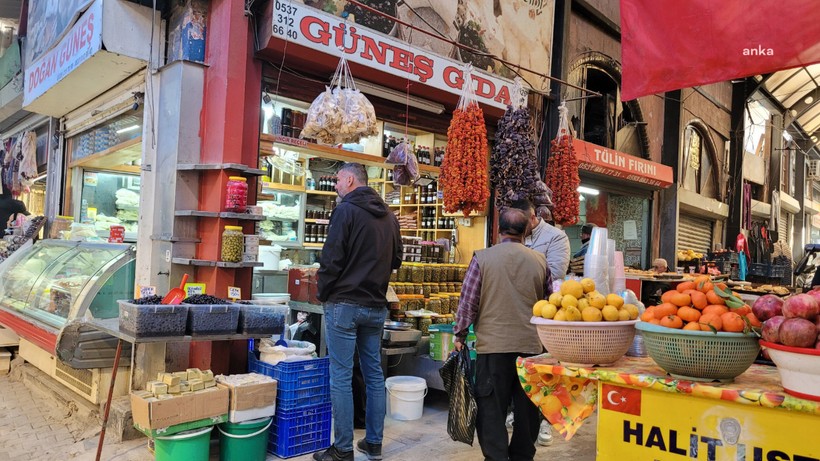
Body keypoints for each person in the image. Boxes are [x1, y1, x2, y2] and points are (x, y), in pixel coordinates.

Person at [315, 162, 402, 461]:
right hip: (376, 306)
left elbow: (331, 260)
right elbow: (397, 260)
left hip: (344, 305)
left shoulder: (345, 211)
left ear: (350, 179)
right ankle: (373, 444)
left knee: (340, 375)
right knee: (374, 374)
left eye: (338, 180)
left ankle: (342, 449)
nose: (336, 186)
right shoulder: (390, 217)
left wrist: (322, 292)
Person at [454, 207, 553, 461]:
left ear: (499, 230)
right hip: (531, 349)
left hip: (493, 347)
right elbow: (549, 305)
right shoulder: (540, 261)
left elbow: (468, 301)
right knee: (527, 409)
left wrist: (460, 334)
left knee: (491, 408)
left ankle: (496, 456)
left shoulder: (482, 258)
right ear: (526, 231)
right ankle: (522, 455)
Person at [509, 198, 568, 446]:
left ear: (533, 217)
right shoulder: (515, 234)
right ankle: (517, 413)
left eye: (523, 223)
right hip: (515, 311)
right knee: (519, 368)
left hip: (544, 314)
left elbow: (555, 273)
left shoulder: (556, 237)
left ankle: (545, 422)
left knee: (543, 372)